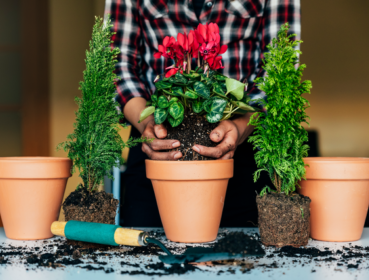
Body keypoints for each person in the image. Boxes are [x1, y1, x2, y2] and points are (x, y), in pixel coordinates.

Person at [105, 0, 301, 227]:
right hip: (155, 143)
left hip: (247, 148)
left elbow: (280, 65)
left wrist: (241, 124)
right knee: (147, 252)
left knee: (245, 254)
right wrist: (147, 124)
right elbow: (117, 64)